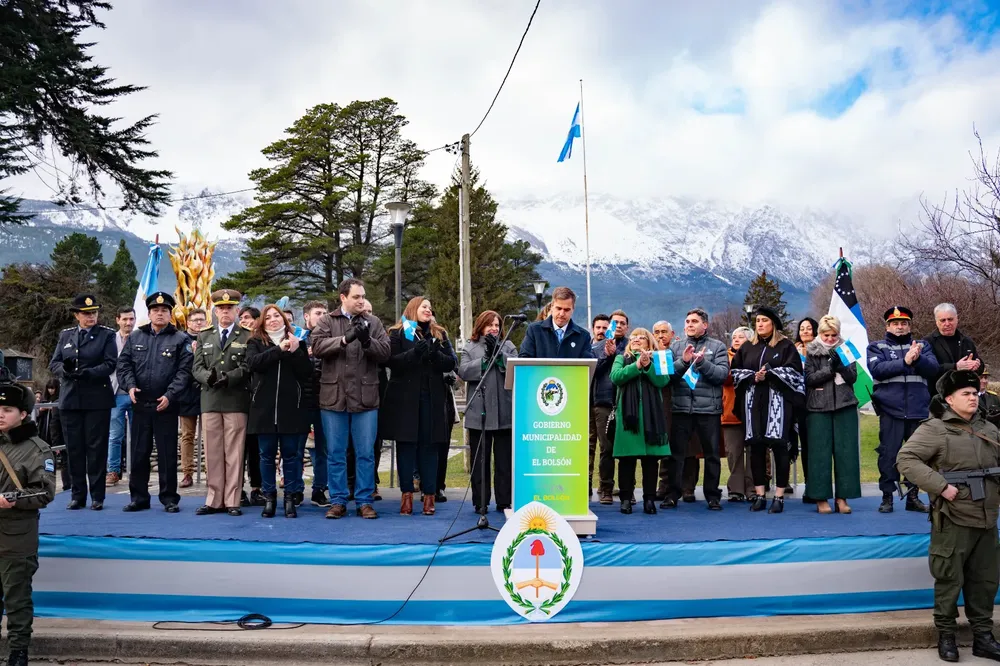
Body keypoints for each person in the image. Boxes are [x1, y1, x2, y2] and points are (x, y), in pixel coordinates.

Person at [897, 370, 1000, 663]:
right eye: (965, 394)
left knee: (985, 581)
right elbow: (906, 459)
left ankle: (983, 637)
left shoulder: (989, 429)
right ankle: (946, 636)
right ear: (950, 399)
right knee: (949, 580)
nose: (972, 397)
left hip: (987, 518)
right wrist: (941, 486)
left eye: (974, 392)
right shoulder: (935, 429)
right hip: (953, 519)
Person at [311, 279, 390, 520]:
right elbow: (317, 346)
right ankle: (338, 500)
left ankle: (364, 500)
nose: (361, 301)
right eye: (356, 297)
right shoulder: (327, 321)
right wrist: (345, 339)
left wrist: (367, 342)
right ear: (343, 297)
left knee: (365, 452)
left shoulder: (373, 322)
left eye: (363, 296)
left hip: (365, 398)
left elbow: (386, 353)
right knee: (336, 452)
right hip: (334, 397)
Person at [116, 292, 192, 513]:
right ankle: (138, 497)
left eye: (165, 310)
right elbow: (124, 365)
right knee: (139, 453)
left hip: (166, 405)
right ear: (149, 313)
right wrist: (129, 386)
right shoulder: (136, 337)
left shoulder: (181, 339)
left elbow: (184, 372)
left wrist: (170, 394)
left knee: (167, 454)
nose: (160, 313)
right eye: (156, 310)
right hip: (140, 404)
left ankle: (169, 498)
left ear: (170, 314)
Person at [381, 297, 456, 516]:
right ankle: (406, 496)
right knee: (406, 447)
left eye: (431, 308)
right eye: (424, 306)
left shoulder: (438, 333)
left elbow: (451, 362)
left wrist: (434, 354)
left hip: (431, 399)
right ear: (414, 308)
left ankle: (429, 496)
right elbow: (392, 362)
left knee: (429, 447)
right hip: (405, 400)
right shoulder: (397, 333)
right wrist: (415, 352)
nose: (428, 310)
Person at [0, 381, 57, 666]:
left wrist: (10, 498)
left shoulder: (38, 450)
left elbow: (44, 491)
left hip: (16, 535)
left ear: (23, 413)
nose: (0, 414)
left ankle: (18, 651)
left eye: (7, 409)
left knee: (16, 597)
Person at [731, 306, 804, 514]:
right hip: (753, 404)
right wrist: (752, 376)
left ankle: (779, 496)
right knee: (756, 448)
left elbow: (795, 374)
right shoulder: (747, 347)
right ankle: (760, 494)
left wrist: (770, 373)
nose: (760, 324)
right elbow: (735, 372)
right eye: (757, 321)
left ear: (773, 324)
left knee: (780, 448)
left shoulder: (785, 346)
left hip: (778, 406)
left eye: (764, 320)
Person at [867, 305, 939, 514]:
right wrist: (905, 361)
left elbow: (933, 369)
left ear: (909, 326)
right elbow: (878, 370)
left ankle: (913, 497)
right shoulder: (876, 346)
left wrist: (918, 358)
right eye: (895, 323)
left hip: (918, 410)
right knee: (888, 455)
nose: (900, 327)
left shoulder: (922, 346)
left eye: (904, 323)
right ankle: (887, 497)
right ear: (888, 325)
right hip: (890, 410)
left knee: (916, 457)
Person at [48, 294, 117, 511]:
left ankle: (97, 496)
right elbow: (54, 363)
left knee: (96, 448)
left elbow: (109, 364)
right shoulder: (66, 335)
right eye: (86, 314)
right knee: (74, 449)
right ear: (77, 315)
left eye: (94, 313)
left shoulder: (106, 335)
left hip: (96, 398)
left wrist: (87, 373)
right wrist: (66, 372)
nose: (91, 317)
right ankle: (78, 495)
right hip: (70, 399)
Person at [246, 304, 312, 518]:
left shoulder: (297, 341)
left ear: (285, 320)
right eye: (268, 317)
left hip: (292, 408)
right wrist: (278, 350)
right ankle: (269, 498)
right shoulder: (255, 342)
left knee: (291, 455)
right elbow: (254, 364)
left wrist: (294, 352)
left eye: (277, 316)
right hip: (263, 409)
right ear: (262, 322)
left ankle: (291, 498)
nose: (273, 320)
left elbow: (306, 373)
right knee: (265, 456)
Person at [192, 290, 251, 517]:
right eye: (221, 308)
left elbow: (248, 366)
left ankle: (233, 499)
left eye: (230, 308)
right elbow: (196, 367)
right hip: (210, 399)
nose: (225, 312)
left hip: (236, 398)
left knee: (235, 452)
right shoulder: (204, 335)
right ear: (215, 311)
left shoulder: (246, 335)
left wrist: (230, 378)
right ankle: (214, 499)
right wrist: (208, 377)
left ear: (236, 311)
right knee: (213, 451)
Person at [664, 308, 729, 511]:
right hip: (681, 409)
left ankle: (712, 495)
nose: (689, 325)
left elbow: (721, 375)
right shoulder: (675, 347)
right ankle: (673, 494)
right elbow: (668, 376)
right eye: (687, 321)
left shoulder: (717, 347)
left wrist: (702, 363)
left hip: (708, 409)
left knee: (711, 455)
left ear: (705, 325)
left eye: (694, 321)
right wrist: (684, 361)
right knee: (676, 455)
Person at [457, 310, 517, 513]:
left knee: (504, 462)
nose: (494, 328)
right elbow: (463, 372)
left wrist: (499, 355)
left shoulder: (508, 346)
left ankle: (504, 500)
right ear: (481, 326)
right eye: (490, 324)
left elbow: (516, 369)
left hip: (504, 414)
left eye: (497, 325)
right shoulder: (470, 347)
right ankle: (480, 501)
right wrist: (484, 360)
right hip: (479, 414)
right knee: (480, 461)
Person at [803, 315, 862, 514]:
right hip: (818, 407)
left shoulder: (846, 349)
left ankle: (842, 498)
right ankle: (821, 498)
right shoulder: (811, 350)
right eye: (825, 335)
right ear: (819, 334)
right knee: (819, 454)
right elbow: (809, 379)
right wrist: (829, 369)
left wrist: (841, 367)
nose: (829, 339)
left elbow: (853, 377)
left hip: (844, 405)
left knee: (846, 453)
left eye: (833, 335)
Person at [610, 328, 671, 514]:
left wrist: (647, 365)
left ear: (649, 342)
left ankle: (649, 500)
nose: (636, 339)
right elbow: (616, 377)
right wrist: (637, 365)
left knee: (651, 462)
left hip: (652, 418)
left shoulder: (659, 358)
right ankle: (626, 499)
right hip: (629, 418)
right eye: (633, 337)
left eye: (641, 337)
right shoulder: (621, 357)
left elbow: (663, 381)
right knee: (626, 462)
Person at [590, 310, 628, 504]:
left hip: (626, 401)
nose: (618, 326)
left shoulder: (631, 345)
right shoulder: (597, 347)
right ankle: (605, 487)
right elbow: (593, 372)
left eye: (622, 323)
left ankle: (626, 489)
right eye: (615, 323)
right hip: (604, 401)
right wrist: (607, 355)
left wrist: (618, 354)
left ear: (627, 327)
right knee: (607, 447)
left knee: (626, 448)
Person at [300, 300, 330, 507]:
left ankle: (319, 489)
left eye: (325, 313)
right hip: (301, 403)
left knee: (324, 450)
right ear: (306, 316)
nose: (322, 316)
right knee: (295, 450)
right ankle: (295, 490)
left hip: (326, 401)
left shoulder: (331, 339)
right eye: (318, 313)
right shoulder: (297, 339)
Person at [519, 286, 593, 359]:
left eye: (566, 310)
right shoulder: (534, 330)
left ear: (573, 309)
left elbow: (588, 367)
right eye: (559, 308)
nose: (562, 314)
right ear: (552, 307)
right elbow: (524, 360)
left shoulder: (583, 336)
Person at [724, 326, 754, 503]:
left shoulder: (756, 356)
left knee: (753, 452)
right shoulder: (724, 357)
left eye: (741, 337)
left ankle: (752, 488)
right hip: (730, 411)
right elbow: (725, 377)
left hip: (753, 411)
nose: (736, 339)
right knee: (733, 453)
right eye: (734, 337)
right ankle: (735, 489)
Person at [237, 306, 264, 507]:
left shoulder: (262, 341)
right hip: (238, 400)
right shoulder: (235, 340)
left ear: (257, 320)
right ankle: (238, 490)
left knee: (257, 449)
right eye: (242, 318)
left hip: (259, 400)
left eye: (247, 317)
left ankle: (257, 488)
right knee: (238, 449)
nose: (244, 321)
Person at [178, 308, 206, 488]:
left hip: (207, 393)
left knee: (210, 436)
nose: (198, 323)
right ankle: (187, 473)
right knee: (187, 435)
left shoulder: (211, 338)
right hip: (187, 393)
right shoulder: (181, 340)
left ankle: (212, 472)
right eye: (195, 320)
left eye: (202, 320)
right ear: (188, 322)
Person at [106, 307, 135, 486]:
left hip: (136, 393)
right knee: (115, 436)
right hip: (115, 393)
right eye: (124, 319)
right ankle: (113, 471)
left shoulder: (140, 338)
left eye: (131, 319)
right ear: (117, 320)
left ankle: (138, 472)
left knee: (138, 436)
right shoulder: (110, 340)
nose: (128, 323)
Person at [928, 303, 982, 395]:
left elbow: (980, 366)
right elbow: (928, 369)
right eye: (943, 320)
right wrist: (955, 367)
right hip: (938, 396)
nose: (947, 323)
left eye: (950, 319)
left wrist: (976, 366)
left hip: (963, 395)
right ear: (936, 322)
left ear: (957, 319)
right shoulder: (928, 342)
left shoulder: (967, 341)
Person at [790, 317, 819, 495]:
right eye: (802, 328)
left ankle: (817, 484)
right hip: (798, 405)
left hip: (818, 402)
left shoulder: (821, 348)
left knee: (816, 446)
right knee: (804, 445)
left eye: (809, 328)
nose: (805, 331)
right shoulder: (792, 351)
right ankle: (809, 484)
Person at [37, 380, 68, 492]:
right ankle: (49, 485)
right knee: (48, 462)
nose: (51, 390)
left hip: (58, 434)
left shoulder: (60, 400)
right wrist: (42, 409)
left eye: (53, 388)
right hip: (45, 434)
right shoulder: (44, 400)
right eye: (49, 388)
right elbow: (39, 418)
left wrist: (52, 408)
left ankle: (67, 484)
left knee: (64, 459)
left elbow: (56, 422)